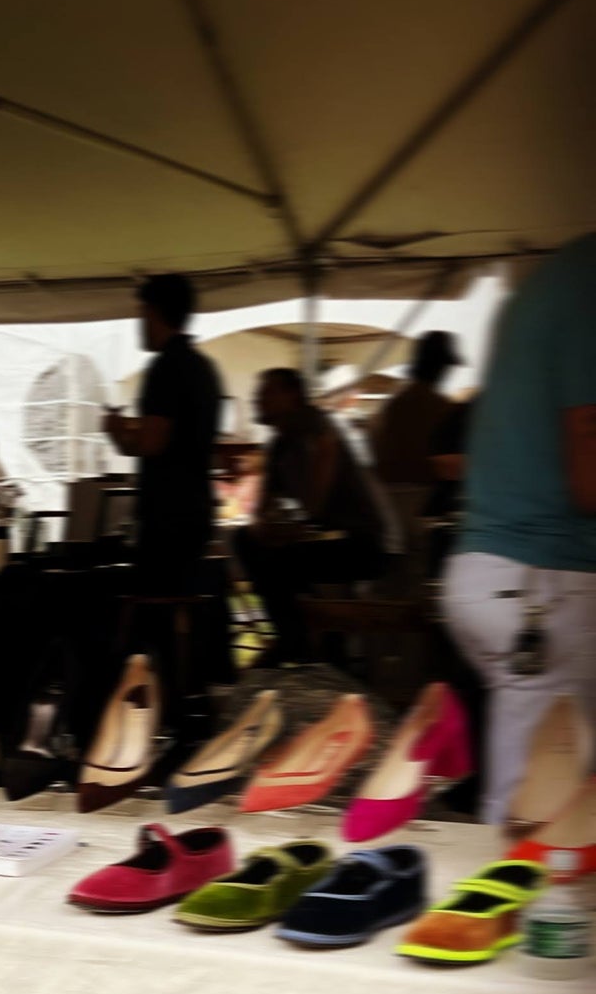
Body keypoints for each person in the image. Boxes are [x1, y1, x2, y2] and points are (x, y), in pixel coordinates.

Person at [442, 234, 596, 824]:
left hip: (505, 570)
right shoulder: (588, 287)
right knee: (538, 822)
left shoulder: (557, 277)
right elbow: (589, 479)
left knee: (542, 809)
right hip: (544, 580)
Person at [235, 368, 390, 666]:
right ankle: (303, 641)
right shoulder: (279, 444)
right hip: (328, 539)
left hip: (362, 542)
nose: (257, 400)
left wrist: (294, 523)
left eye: (266, 393)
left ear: (292, 395)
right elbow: (263, 511)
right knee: (246, 541)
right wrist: (265, 528)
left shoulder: (314, 424)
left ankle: (301, 643)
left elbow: (317, 498)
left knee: (282, 562)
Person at [103, 273, 224, 592]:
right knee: (182, 603)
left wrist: (117, 432)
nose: (139, 323)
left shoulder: (166, 367)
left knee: (156, 603)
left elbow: (151, 442)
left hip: (168, 514)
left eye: (141, 313)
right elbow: (181, 433)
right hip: (197, 508)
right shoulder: (204, 368)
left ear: (154, 312)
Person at [371, 330, 469, 562]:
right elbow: (452, 465)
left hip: (384, 507)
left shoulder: (392, 404)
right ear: (439, 366)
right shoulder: (441, 408)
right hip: (420, 510)